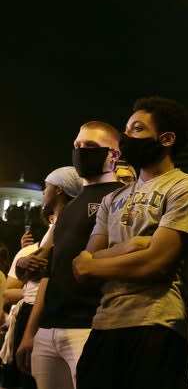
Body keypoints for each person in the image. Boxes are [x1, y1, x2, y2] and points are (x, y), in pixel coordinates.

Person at [71, 96, 188, 389]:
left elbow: (156, 264)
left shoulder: (185, 188)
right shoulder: (112, 199)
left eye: (136, 129)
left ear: (166, 138)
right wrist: (131, 247)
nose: (126, 138)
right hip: (105, 323)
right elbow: (81, 265)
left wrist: (95, 264)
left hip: (157, 324)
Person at [15, 123, 123, 389]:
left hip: (89, 328)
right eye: (77, 146)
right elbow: (49, 275)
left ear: (114, 155)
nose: (81, 151)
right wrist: (31, 332)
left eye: (90, 147)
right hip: (49, 330)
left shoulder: (122, 198)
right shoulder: (70, 208)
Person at [2, 166, 82, 389]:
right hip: (37, 314)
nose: (43, 192)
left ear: (58, 190)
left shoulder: (69, 225)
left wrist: (29, 333)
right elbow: (31, 269)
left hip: (47, 316)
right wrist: (22, 263)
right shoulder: (55, 228)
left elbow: (43, 276)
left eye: (46, 187)